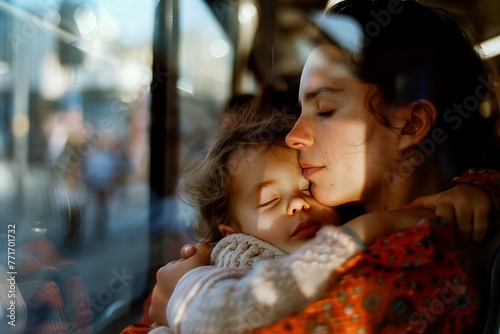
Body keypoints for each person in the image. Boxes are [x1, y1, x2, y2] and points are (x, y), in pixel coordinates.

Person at [145, 0, 500, 332]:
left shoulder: (411, 264)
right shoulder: (328, 220)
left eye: (325, 110)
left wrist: (178, 298)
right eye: (300, 111)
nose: (294, 137)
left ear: (411, 123)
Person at [128, 103, 439, 334]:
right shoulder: (225, 264)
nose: (298, 205)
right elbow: (209, 318)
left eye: (308, 189)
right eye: (270, 201)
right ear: (231, 230)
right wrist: (355, 236)